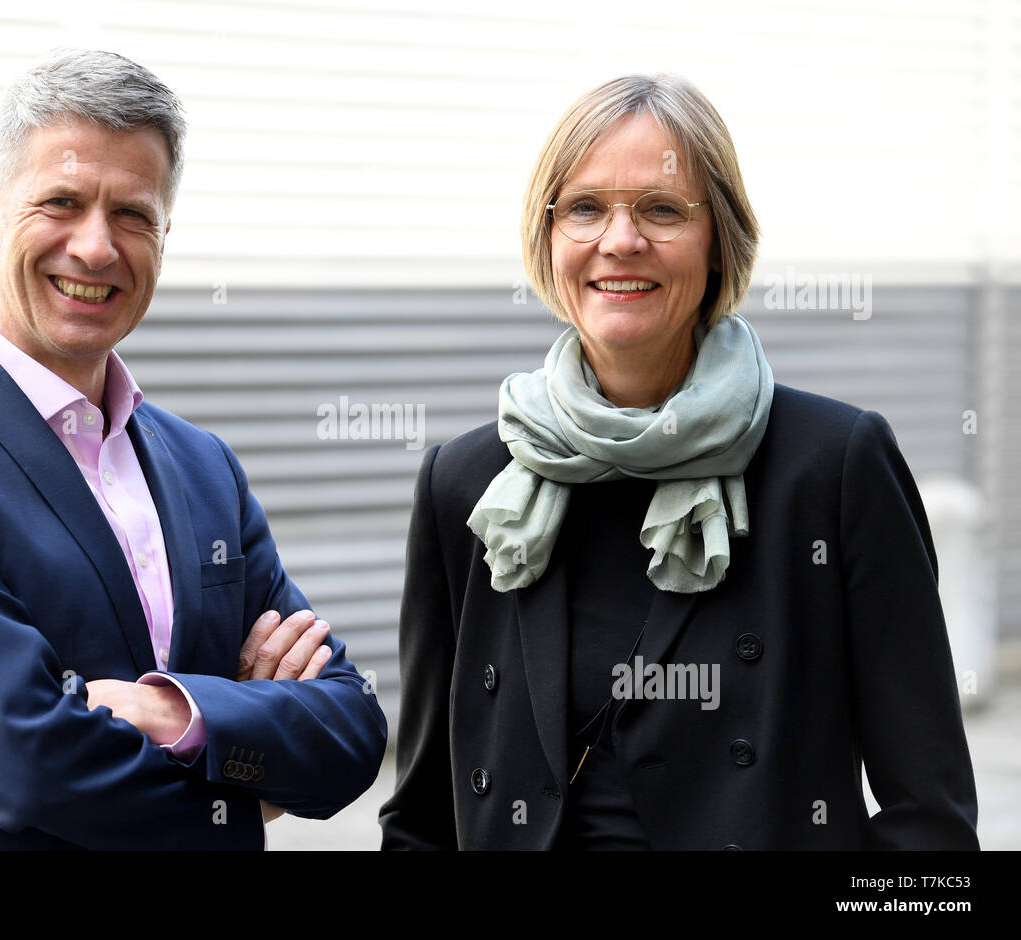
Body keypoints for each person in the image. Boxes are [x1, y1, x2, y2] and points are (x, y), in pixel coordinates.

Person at [378, 74, 978, 850]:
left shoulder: (832, 468)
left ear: (719, 239)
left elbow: (928, 820)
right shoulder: (467, 482)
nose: (620, 241)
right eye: (586, 208)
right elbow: (423, 814)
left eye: (661, 209)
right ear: (548, 237)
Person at [0, 49, 386, 850]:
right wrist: (243, 796)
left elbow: (352, 729)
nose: (95, 247)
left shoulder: (201, 466)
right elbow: (26, 763)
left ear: (164, 235)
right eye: (61, 202)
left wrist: (171, 712)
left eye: (132, 214)